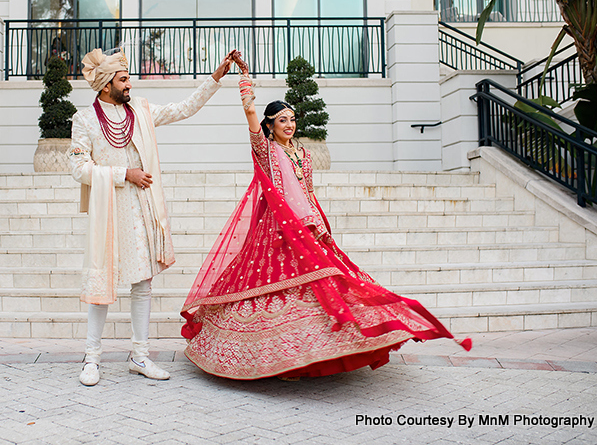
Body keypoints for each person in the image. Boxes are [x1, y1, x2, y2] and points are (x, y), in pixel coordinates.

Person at [180, 52, 471, 380]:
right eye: (282, 121)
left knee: (323, 282)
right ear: (269, 126)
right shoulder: (264, 148)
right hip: (274, 231)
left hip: (307, 226)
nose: (289, 125)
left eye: (291, 119)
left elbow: (307, 193)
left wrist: (319, 224)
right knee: (277, 288)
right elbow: (249, 110)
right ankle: (277, 360)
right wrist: (244, 79)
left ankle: (315, 351)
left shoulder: (302, 153)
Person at [71, 47, 233, 386]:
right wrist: (123, 174)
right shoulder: (84, 119)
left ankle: (140, 356)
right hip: (108, 210)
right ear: (105, 86)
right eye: (124, 79)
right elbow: (78, 168)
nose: (130, 84)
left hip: (142, 209)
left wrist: (215, 78)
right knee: (102, 285)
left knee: (142, 284)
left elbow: (183, 109)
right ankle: (91, 357)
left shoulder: (141, 111)